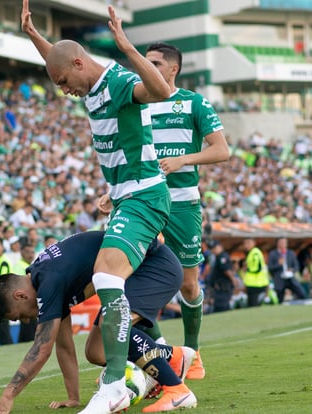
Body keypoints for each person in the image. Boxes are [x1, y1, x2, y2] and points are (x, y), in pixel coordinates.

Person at [21, 2, 171, 412]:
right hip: (126, 196)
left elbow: (161, 92)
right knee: (111, 282)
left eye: (64, 80)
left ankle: (114, 384)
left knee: (106, 276)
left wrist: (128, 48)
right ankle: (168, 363)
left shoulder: (119, 80)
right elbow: (60, 57)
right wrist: (35, 37)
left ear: (79, 63)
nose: (63, 88)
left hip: (145, 196)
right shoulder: (84, 79)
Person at [98, 42, 230, 379]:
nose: (147, 65)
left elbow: (222, 151)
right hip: (142, 201)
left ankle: (193, 352)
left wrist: (183, 159)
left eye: (154, 62)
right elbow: (130, 152)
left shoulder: (194, 103)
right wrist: (112, 191)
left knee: (188, 285)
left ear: (173, 68)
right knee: (134, 283)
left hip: (182, 204)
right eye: (145, 60)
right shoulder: (139, 99)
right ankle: (158, 356)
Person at [0, 231, 197, 414]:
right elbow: (64, 346)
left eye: (19, 316)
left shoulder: (48, 282)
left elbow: (41, 349)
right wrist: (73, 397)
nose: (27, 320)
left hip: (155, 268)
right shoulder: (45, 279)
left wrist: (6, 399)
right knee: (96, 351)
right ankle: (174, 356)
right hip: (141, 270)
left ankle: (177, 390)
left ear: (20, 296)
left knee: (112, 327)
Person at [267, 237, 306, 303]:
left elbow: (296, 266)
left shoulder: (291, 253)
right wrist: (278, 264)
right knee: (280, 298)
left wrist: (291, 270)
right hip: (279, 279)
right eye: (281, 242)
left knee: (301, 293)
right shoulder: (273, 254)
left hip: (290, 278)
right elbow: (270, 268)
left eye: (284, 242)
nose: (283, 244)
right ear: (277, 243)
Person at [12, 242, 38, 342]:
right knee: (30, 327)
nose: (31, 254)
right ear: (22, 253)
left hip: (28, 301)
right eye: (28, 252)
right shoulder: (20, 266)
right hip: (26, 302)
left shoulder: (28, 265)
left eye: (32, 252)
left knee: (27, 328)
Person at [207, 240, 236, 312]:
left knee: (222, 307)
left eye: (214, 248)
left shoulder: (222, 256)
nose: (213, 250)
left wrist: (233, 279)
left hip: (223, 287)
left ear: (220, 246)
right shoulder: (218, 257)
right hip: (220, 287)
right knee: (219, 307)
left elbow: (226, 270)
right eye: (212, 249)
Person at [241, 238, 269, 307]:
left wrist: (247, 269)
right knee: (251, 305)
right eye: (245, 243)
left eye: (248, 243)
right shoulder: (250, 253)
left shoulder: (255, 252)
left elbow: (258, 267)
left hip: (256, 283)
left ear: (254, 243)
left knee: (254, 306)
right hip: (253, 283)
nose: (246, 245)